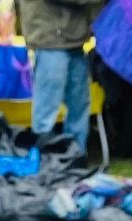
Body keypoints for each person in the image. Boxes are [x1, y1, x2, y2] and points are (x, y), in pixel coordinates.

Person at [22, 0, 100, 150]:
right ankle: (45, 159)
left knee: (80, 104)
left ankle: (76, 157)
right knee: (48, 106)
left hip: (74, 39)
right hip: (49, 39)